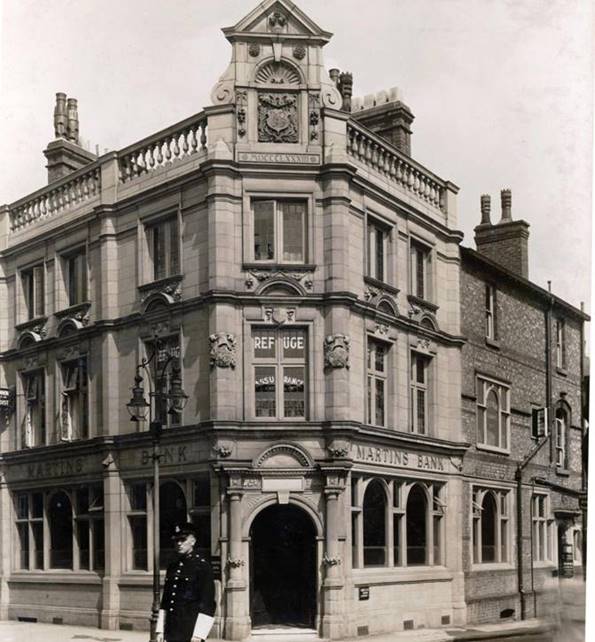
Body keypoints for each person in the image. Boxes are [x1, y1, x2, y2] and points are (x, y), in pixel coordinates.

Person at [156, 522, 216, 642]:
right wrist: (160, 630)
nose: (179, 543)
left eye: (183, 540)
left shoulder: (202, 566)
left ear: (193, 542)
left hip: (191, 630)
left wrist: (199, 634)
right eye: (176, 540)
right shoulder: (172, 566)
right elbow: (166, 600)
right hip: (171, 629)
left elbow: (208, 602)